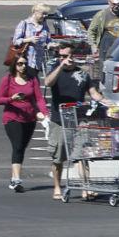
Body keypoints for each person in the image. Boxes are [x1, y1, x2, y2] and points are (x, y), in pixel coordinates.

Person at [44, 43, 88, 201]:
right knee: (58, 157)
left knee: (81, 156)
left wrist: (106, 102)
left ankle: (85, 188)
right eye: (61, 56)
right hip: (59, 121)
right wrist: (61, 66)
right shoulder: (56, 71)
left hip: (78, 121)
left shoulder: (82, 74)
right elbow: (48, 83)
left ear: (73, 56)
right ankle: (57, 186)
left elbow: (94, 93)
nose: (63, 59)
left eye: (66, 56)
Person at [0, 58, 47, 192]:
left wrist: (44, 113)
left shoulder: (32, 80)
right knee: (17, 145)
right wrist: (11, 99)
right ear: (15, 65)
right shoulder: (8, 79)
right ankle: (17, 179)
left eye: (25, 63)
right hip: (12, 117)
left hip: (29, 118)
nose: (23, 66)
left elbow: (38, 98)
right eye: (20, 64)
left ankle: (13, 178)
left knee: (22, 147)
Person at [11, 2, 55, 73]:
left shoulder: (44, 26)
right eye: (43, 13)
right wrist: (29, 39)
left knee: (34, 82)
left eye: (46, 14)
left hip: (38, 63)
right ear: (35, 12)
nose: (45, 16)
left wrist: (50, 45)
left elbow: (48, 41)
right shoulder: (24, 24)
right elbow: (15, 41)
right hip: (25, 63)